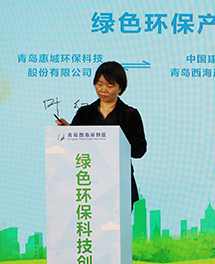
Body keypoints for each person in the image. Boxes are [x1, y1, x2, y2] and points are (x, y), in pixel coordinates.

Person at [57, 61, 147, 207]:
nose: (103, 89)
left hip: (120, 183)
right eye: (99, 84)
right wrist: (68, 132)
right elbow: (74, 147)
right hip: (88, 182)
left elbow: (140, 150)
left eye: (110, 86)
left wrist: (119, 141)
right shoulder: (85, 113)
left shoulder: (130, 114)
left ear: (120, 88)